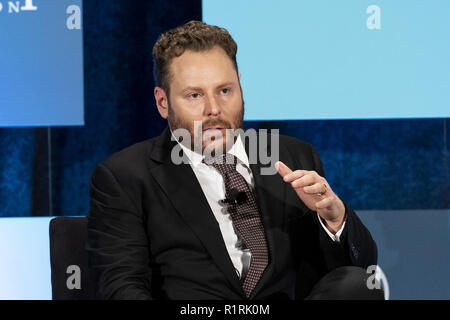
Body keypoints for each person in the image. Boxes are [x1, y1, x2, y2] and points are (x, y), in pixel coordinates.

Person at [86, 20, 383, 300]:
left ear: (240, 86)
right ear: (163, 102)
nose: (213, 109)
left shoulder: (293, 157)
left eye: (225, 90)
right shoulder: (126, 176)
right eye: (194, 95)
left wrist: (335, 218)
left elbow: (360, 272)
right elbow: (120, 285)